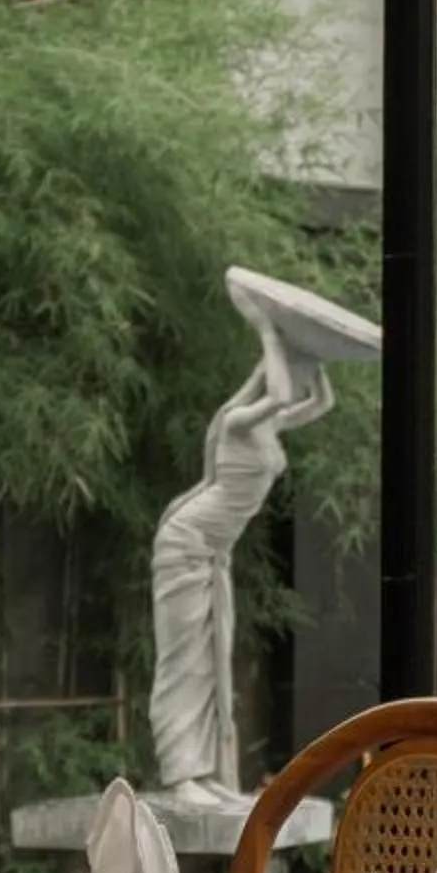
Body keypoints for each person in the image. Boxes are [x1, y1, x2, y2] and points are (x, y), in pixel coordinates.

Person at [150, 276, 332, 806]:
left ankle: (203, 772)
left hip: (214, 551)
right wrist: (268, 329)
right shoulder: (238, 421)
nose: (293, 387)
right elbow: (276, 393)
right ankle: (180, 772)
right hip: (186, 543)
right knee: (183, 659)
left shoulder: (271, 430)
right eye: (290, 374)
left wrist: (315, 354)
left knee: (212, 658)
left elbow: (320, 403)